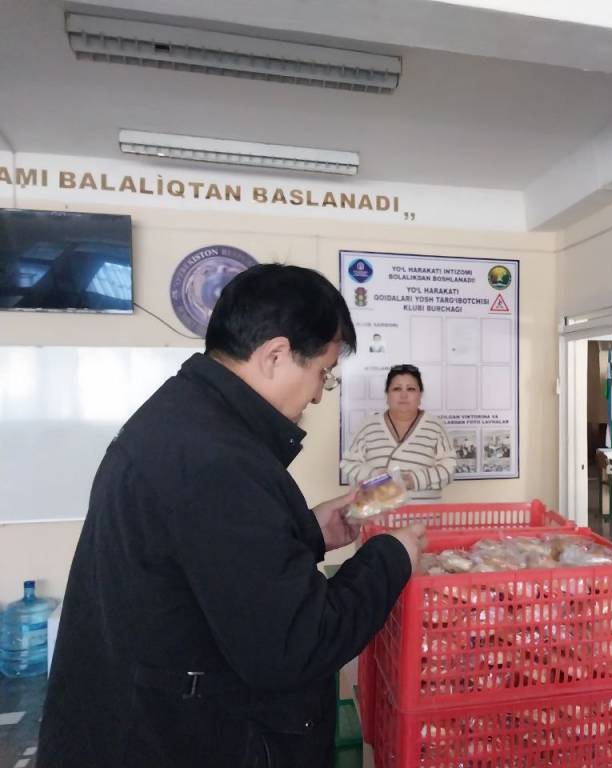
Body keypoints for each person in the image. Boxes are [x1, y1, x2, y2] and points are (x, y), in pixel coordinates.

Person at [38, 264, 426, 768]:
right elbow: (296, 644)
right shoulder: (218, 460)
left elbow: (213, 562)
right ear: (275, 355)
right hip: (187, 738)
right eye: (322, 373)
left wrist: (306, 532)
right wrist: (392, 557)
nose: (316, 393)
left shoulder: (185, 417)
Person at [340, 364, 456, 501]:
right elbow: (348, 464)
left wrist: (414, 480)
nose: (404, 395)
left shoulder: (435, 427)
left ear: (420, 396)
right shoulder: (368, 426)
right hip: (378, 512)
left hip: (424, 512)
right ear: (387, 395)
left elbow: (449, 468)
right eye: (397, 389)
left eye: (411, 389)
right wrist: (375, 477)